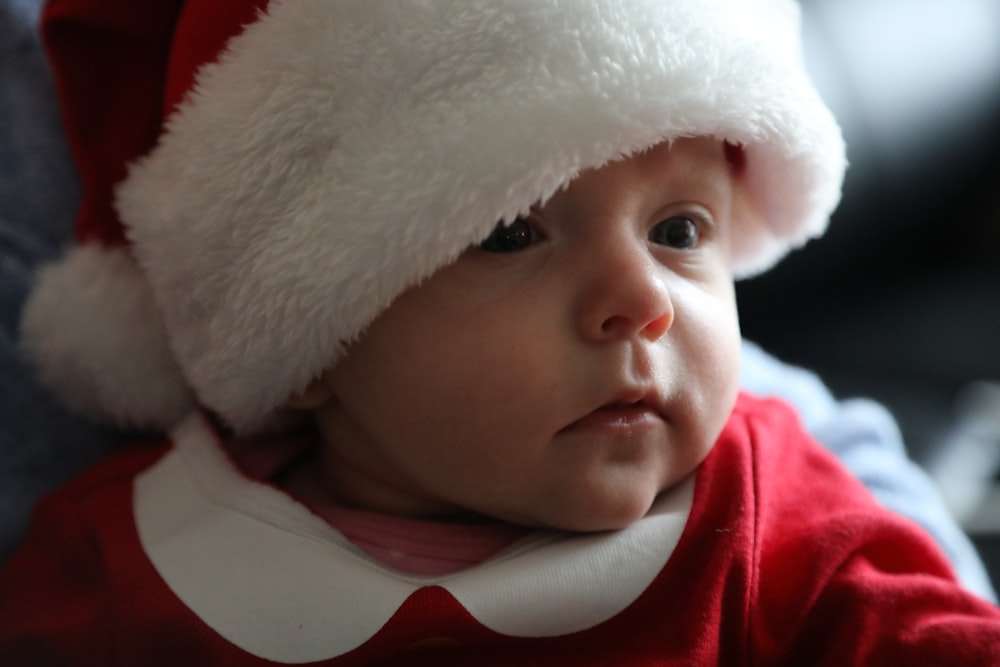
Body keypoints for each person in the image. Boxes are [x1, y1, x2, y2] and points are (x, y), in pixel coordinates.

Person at [2, 0, 998, 664]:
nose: (640, 298)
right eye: (510, 231)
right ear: (307, 329)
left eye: (678, 231)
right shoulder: (131, 560)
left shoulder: (770, 511)